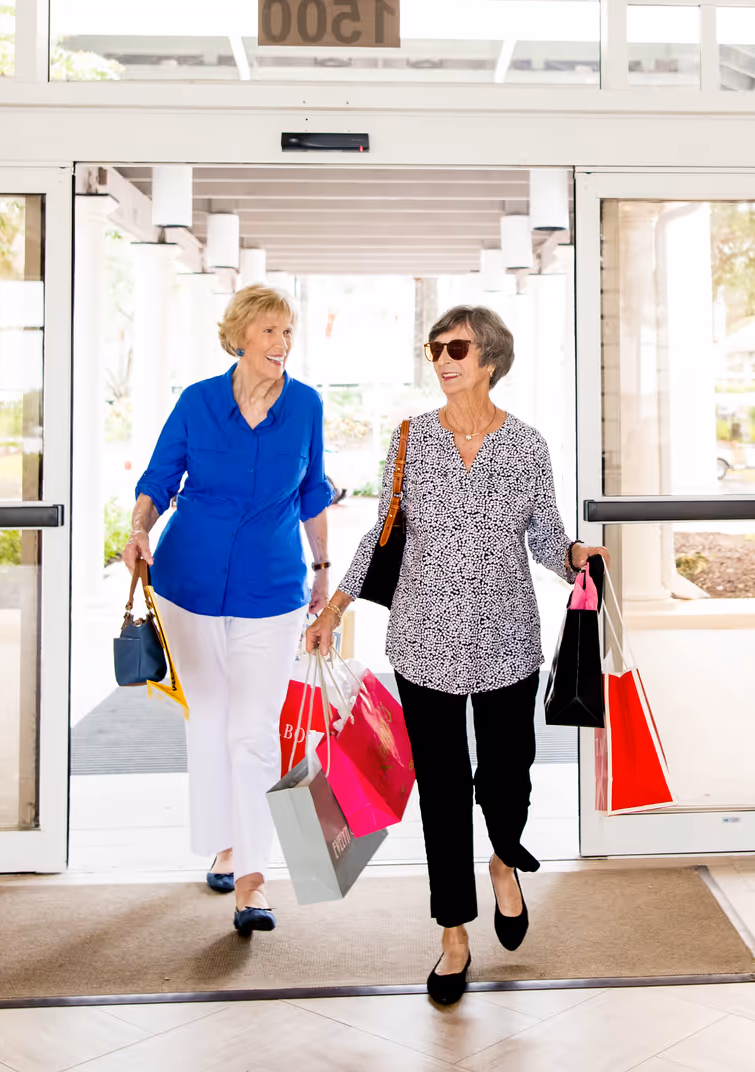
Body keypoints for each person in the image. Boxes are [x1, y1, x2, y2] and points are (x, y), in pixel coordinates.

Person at [304, 305, 604, 1003]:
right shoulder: (410, 439)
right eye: (434, 348)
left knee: (507, 776)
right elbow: (382, 532)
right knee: (442, 789)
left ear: (490, 358)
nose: (442, 359)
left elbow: (546, 535)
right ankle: (453, 933)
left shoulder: (526, 445)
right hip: (421, 640)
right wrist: (336, 608)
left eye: (457, 348)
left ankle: (504, 859)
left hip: (506, 638)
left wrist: (574, 555)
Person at [125, 284, 336, 935]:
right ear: (241, 336)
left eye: (288, 333)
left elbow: (313, 491)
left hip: (270, 591)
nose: (282, 344)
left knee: (253, 729)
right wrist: (138, 528)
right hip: (186, 585)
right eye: (271, 331)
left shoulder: (304, 406)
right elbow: (159, 479)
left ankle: (252, 878)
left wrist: (324, 574)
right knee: (211, 719)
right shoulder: (198, 402)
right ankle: (224, 842)